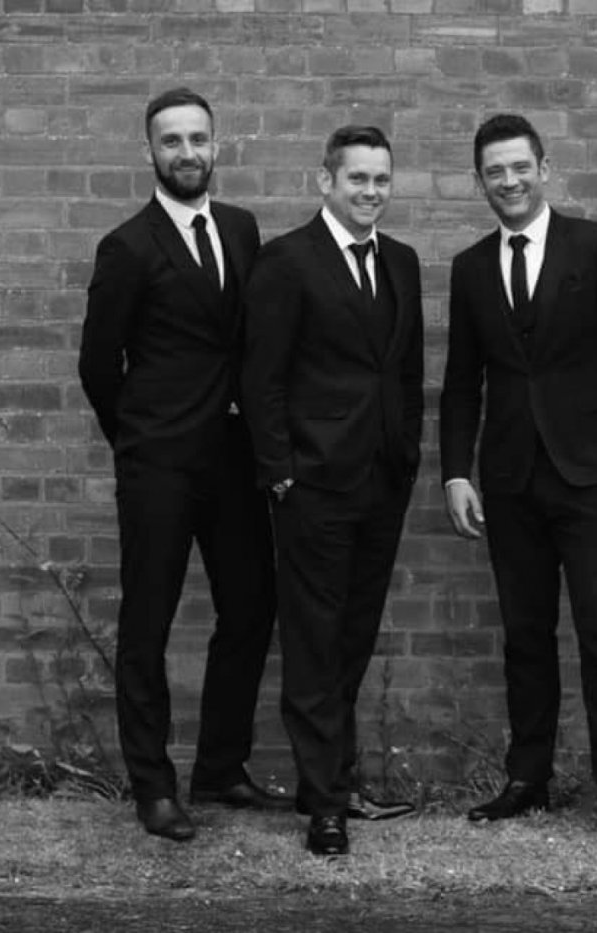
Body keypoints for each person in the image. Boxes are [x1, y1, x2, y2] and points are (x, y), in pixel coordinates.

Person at [438, 113, 597, 847]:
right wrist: (455, 471)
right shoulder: (472, 267)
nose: (508, 181)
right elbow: (461, 381)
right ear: (480, 181)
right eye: (494, 172)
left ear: (544, 169)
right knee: (525, 637)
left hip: (591, 477)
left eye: (519, 167)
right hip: (510, 482)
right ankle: (527, 777)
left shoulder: (595, 247)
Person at [78, 87, 286, 843]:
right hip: (159, 465)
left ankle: (221, 767)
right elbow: (98, 364)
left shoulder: (240, 228)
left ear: (216, 145)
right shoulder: (127, 247)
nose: (187, 152)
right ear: (150, 152)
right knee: (148, 622)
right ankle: (153, 786)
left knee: (251, 606)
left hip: (233, 460)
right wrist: (137, 439)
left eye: (198, 138)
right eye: (172, 141)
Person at [241, 126, 424, 857]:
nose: (371, 192)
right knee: (314, 642)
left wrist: (407, 453)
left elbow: (404, 370)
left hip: (382, 480)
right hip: (313, 483)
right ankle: (323, 804)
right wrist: (279, 468)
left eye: (381, 179)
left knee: (353, 635)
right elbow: (261, 375)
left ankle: (337, 779)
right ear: (326, 182)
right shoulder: (287, 261)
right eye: (358, 179)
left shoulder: (401, 261)